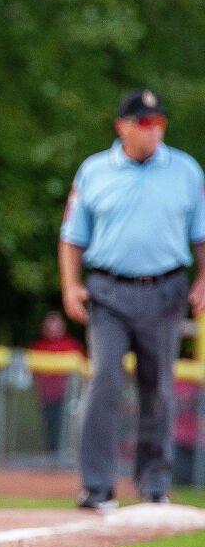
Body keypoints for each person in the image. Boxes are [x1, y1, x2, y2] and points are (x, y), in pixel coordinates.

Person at [58, 87, 205, 509]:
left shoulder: (186, 171)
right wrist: (70, 285)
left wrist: (202, 281)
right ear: (122, 126)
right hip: (108, 291)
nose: (154, 131)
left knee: (158, 386)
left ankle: (154, 483)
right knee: (105, 379)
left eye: (159, 123)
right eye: (144, 123)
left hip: (165, 289)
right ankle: (98, 485)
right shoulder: (94, 171)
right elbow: (71, 237)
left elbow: (201, 235)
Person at [28, 311, 87, 454]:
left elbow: (85, 371)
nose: (52, 328)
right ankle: (51, 457)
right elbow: (32, 374)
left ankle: (68, 456)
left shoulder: (72, 345)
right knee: (49, 429)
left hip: (69, 398)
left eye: (56, 324)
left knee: (69, 430)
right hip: (46, 397)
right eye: (49, 325)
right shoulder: (38, 346)